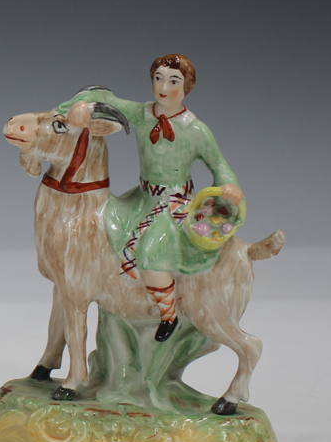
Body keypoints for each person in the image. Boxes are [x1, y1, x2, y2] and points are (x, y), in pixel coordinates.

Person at [62, 54, 242, 341]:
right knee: (102, 226)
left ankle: (168, 314)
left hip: (174, 203)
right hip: (143, 197)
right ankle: (116, 296)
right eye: (158, 79)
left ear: (187, 87)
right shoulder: (141, 114)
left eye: (173, 81)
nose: (163, 87)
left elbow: (219, 164)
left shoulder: (195, 130)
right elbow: (104, 97)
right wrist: (77, 107)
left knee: (150, 253)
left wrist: (229, 184)